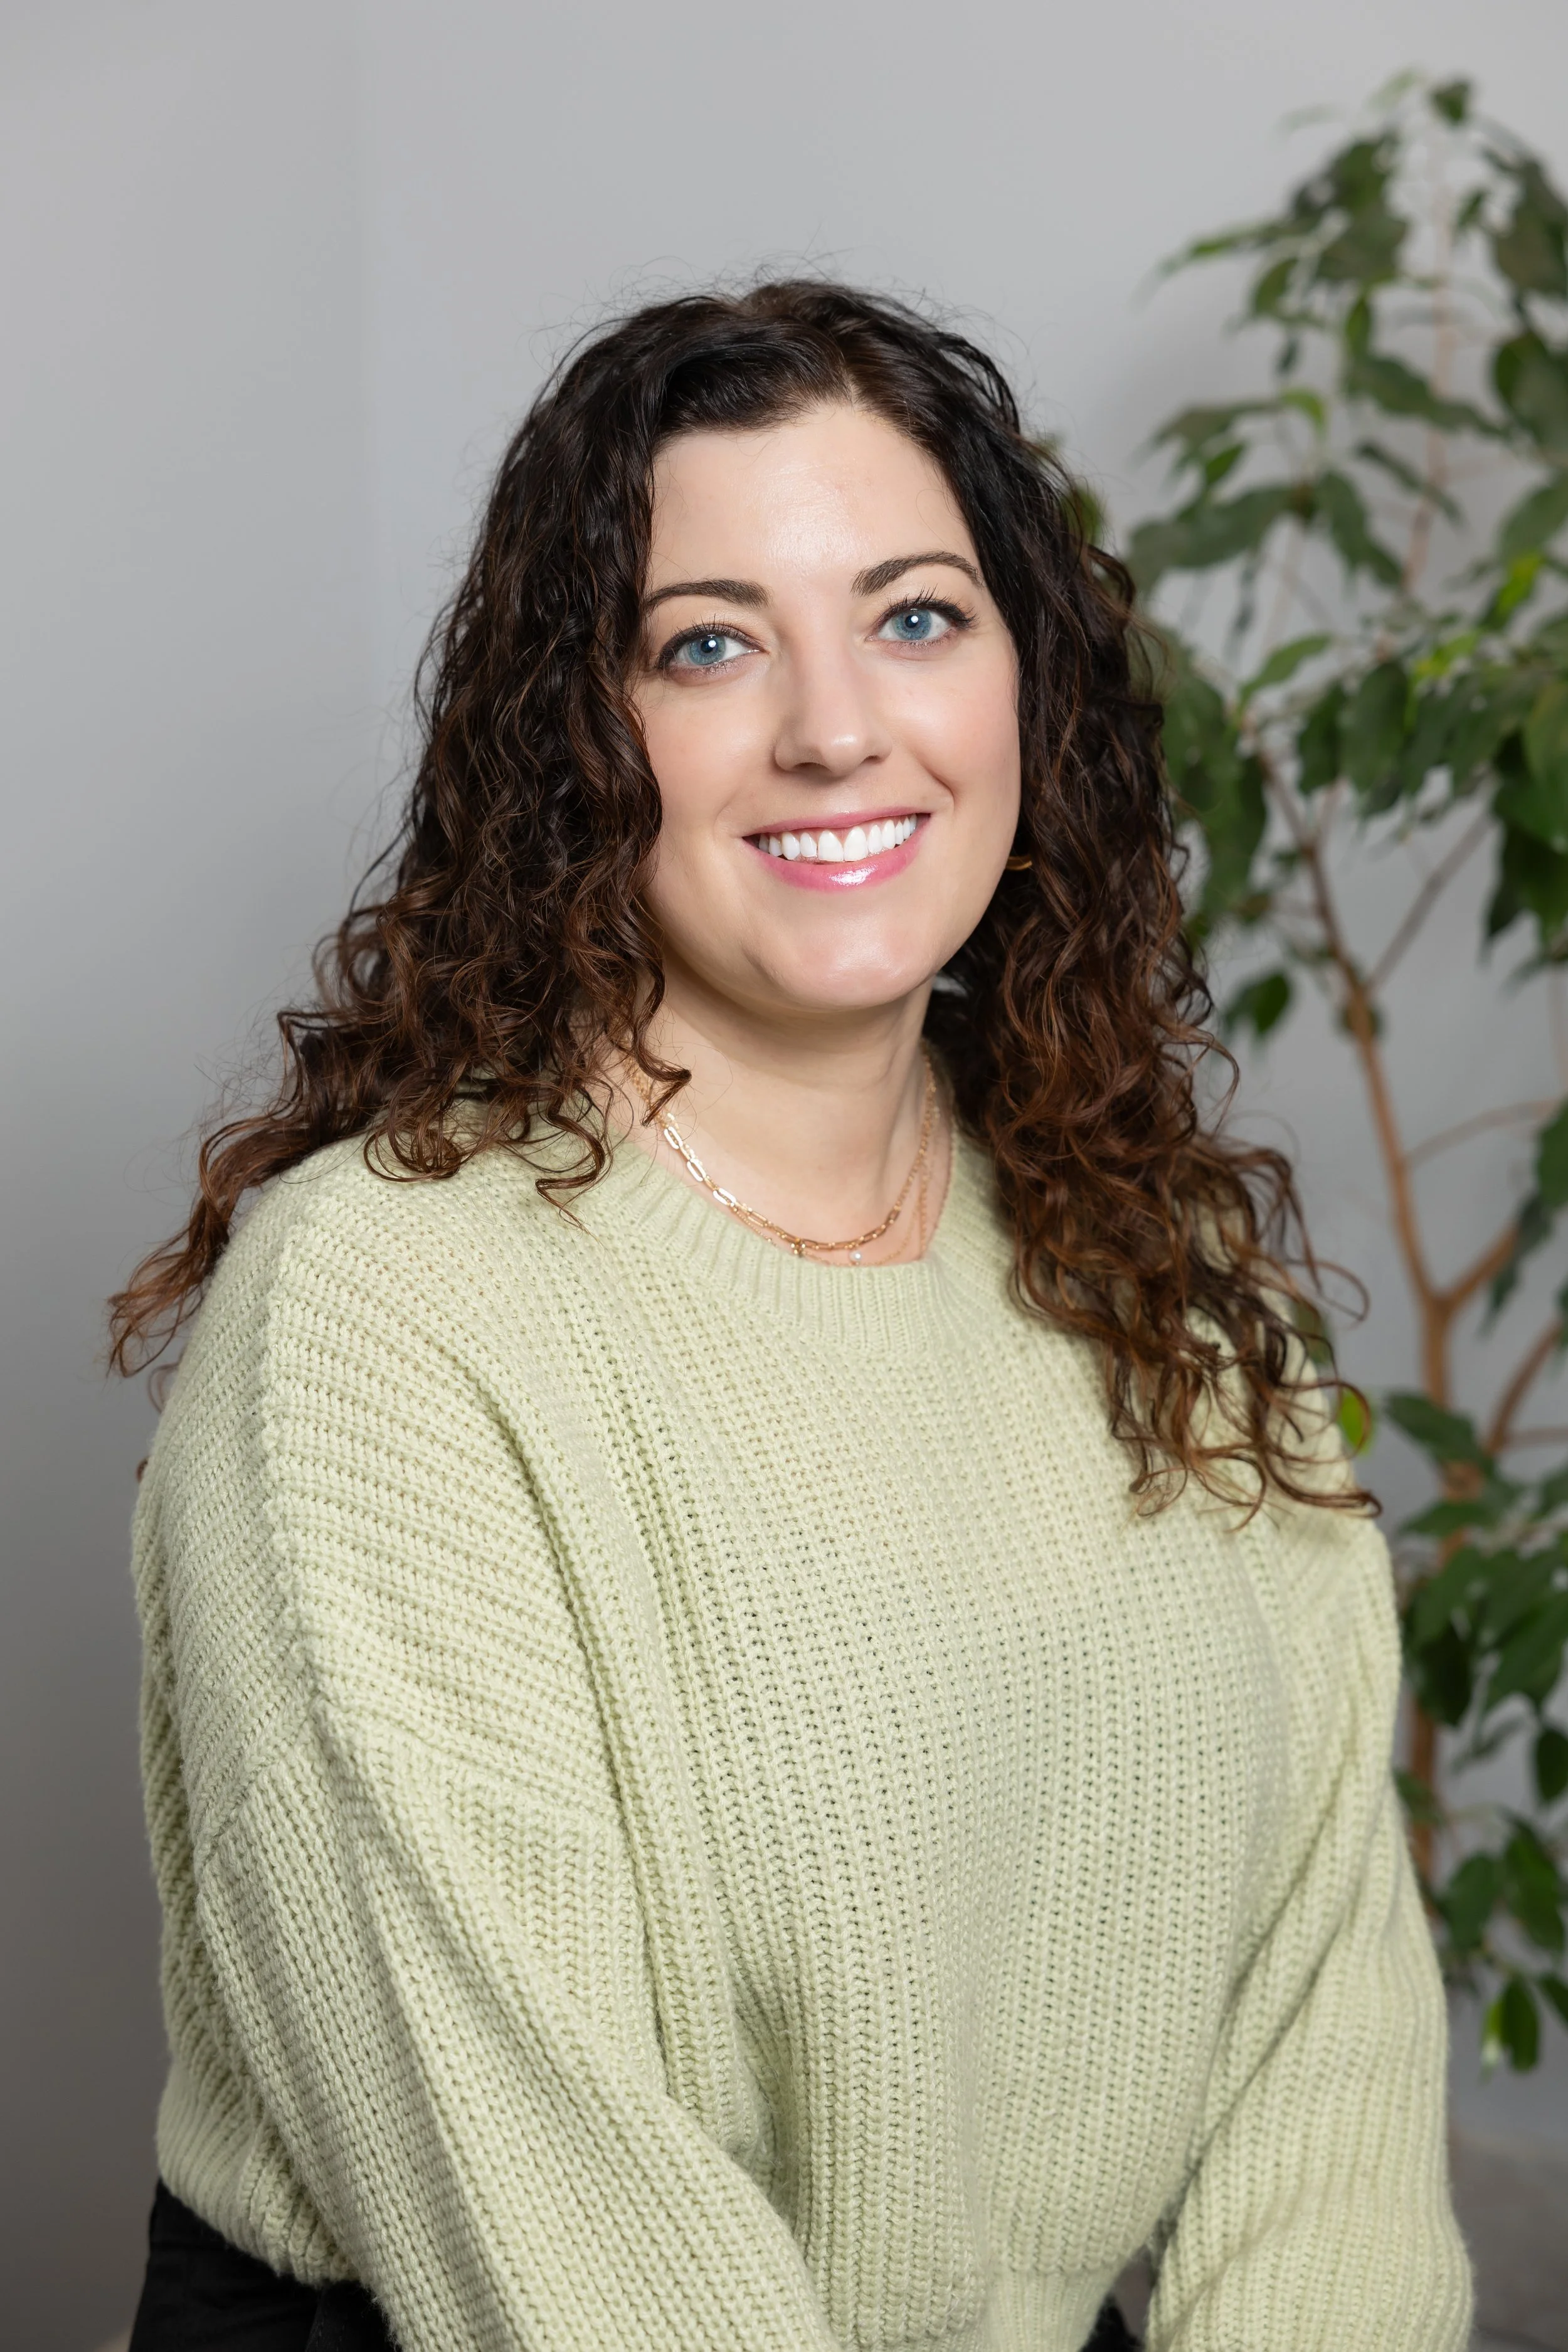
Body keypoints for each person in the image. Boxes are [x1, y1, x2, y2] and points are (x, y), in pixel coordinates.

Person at [111, 280, 1472, 2352]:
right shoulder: (382, 1322)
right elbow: (552, 2209)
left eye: (916, 615)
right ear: (578, 736)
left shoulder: (1172, 1287)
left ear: (1030, 686)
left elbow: (1328, 2061)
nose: (835, 725)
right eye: (709, 642)